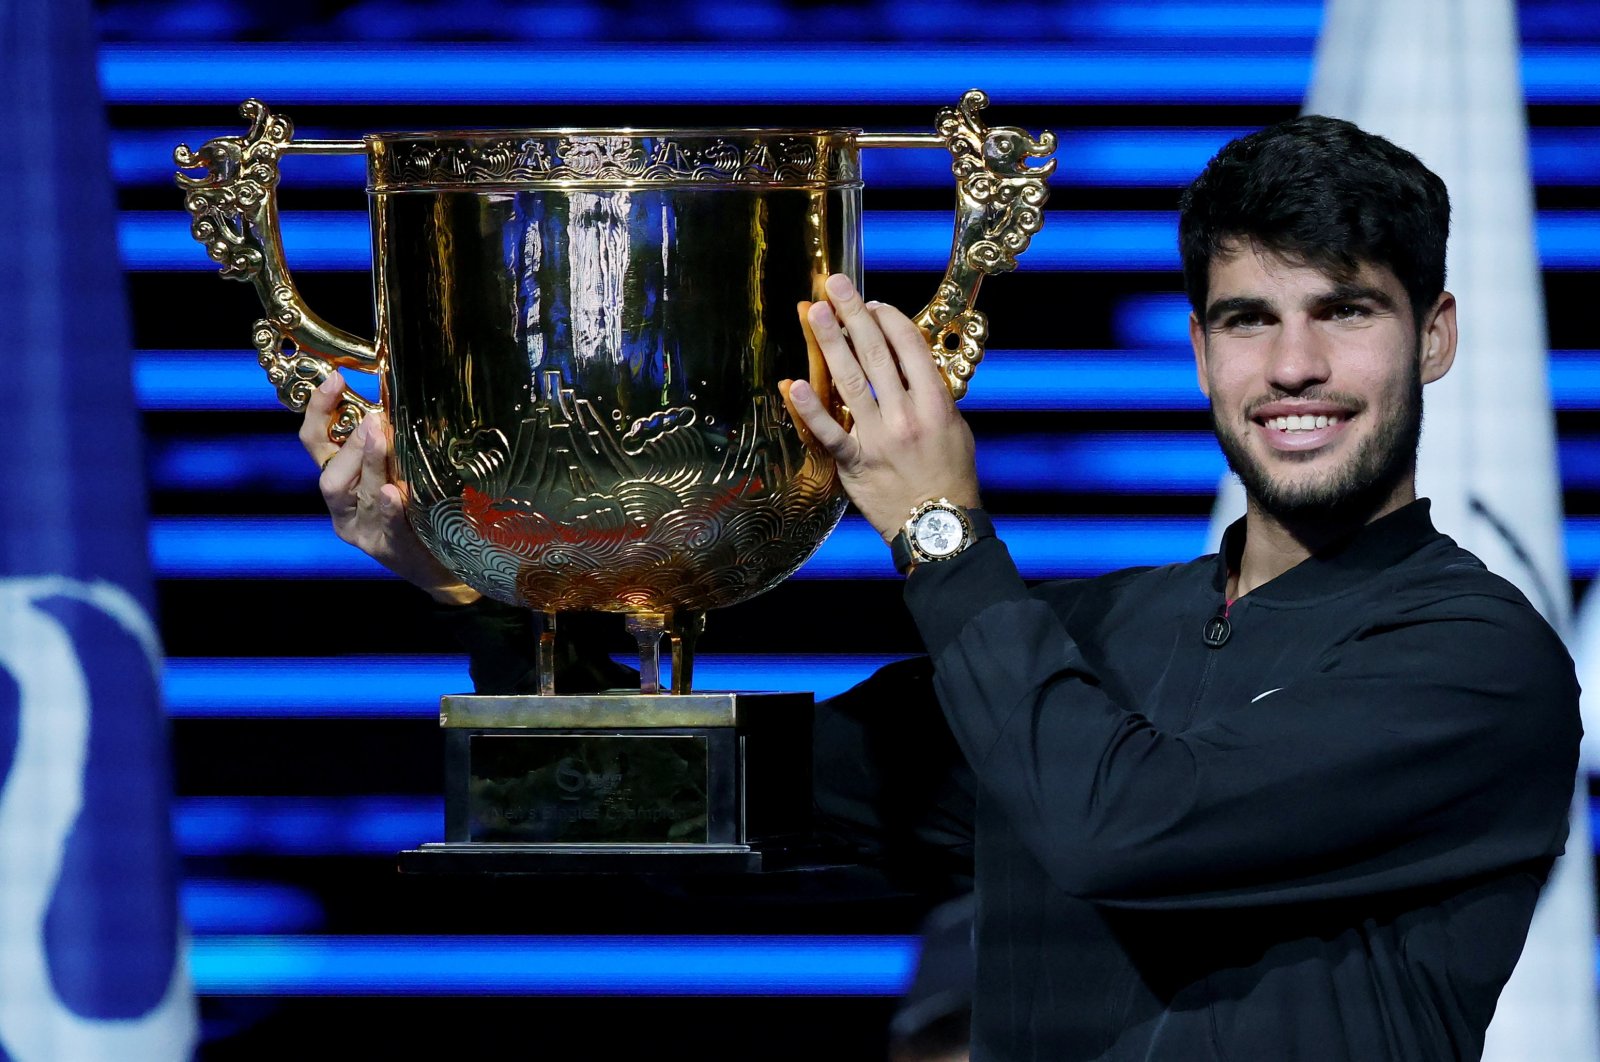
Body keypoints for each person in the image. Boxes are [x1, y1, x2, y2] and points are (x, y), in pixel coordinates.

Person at [300, 116, 1580, 1060]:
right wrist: (500, 580)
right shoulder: (1090, 634)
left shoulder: (1474, 657)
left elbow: (1119, 831)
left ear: (1433, 336)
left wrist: (932, 526)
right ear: (1197, 352)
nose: (1294, 365)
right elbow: (662, 811)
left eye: (1344, 312)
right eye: (1249, 319)